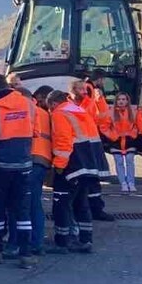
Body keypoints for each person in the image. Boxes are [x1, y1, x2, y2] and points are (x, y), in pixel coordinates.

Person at [0, 75, 36, 268]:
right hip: (24, 164)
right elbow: (34, 131)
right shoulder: (28, 103)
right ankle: (25, 254)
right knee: (22, 210)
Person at [47, 90, 98, 253]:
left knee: (61, 203)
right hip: (87, 163)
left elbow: (63, 141)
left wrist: (59, 165)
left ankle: (63, 241)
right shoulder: (79, 110)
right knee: (81, 203)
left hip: (71, 165)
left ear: (53, 103)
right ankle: (86, 239)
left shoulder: (59, 113)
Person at [69, 80, 115, 222]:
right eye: (80, 89)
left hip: (91, 145)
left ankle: (96, 209)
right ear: (72, 90)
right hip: (74, 147)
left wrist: (100, 100)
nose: (84, 91)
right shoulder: (66, 104)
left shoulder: (90, 102)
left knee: (93, 180)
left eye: (84, 89)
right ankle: (76, 210)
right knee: (77, 182)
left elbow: (103, 118)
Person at [100, 92, 142, 193]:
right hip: (116, 141)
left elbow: (140, 125)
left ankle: (131, 183)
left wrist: (137, 134)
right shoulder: (110, 112)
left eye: (124, 99)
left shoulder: (134, 111)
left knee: (130, 160)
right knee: (119, 161)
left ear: (127, 101)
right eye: (119, 99)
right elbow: (104, 127)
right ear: (116, 101)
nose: (121, 101)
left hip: (130, 140)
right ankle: (123, 183)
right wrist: (113, 136)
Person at [27, 86, 54, 257]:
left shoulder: (28, 111)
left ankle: (33, 242)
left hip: (31, 159)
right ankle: (36, 240)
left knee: (28, 203)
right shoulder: (46, 114)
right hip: (44, 160)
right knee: (35, 202)